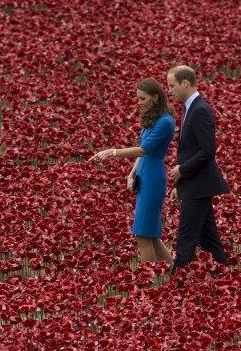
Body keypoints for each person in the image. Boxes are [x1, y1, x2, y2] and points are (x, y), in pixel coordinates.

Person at [89, 78, 175, 267]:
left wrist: (111, 152)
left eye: (142, 99)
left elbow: (144, 150)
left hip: (153, 177)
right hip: (144, 173)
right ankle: (177, 275)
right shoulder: (152, 119)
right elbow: (142, 150)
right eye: (137, 98)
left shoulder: (165, 122)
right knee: (150, 235)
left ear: (155, 97)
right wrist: (132, 172)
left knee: (143, 234)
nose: (139, 103)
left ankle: (149, 284)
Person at [166, 65, 229, 272]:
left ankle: (175, 287)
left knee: (186, 239)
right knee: (210, 240)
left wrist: (182, 170)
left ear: (185, 83)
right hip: (196, 185)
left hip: (199, 185)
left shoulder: (200, 110)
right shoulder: (188, 108)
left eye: (172, 85)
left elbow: (207, 151)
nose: (170, 90)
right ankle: (225, 280)